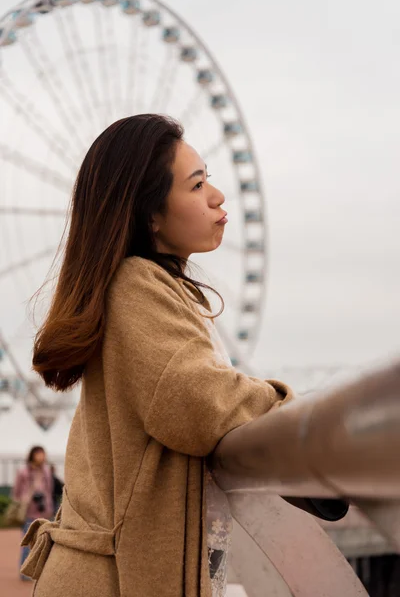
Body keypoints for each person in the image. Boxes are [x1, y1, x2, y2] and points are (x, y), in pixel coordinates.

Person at [21, 114, 294, 597]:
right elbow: (195, 402)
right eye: (197, 185)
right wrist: (282, 403)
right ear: (150, 215)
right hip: (112, 581)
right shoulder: (135, 286)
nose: (218, 196)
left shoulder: (131, 287)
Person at [13, 445, 53, 581]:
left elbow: (49, 490)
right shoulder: (24, 472)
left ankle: (39, 571)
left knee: (43, 543)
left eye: (43, 454)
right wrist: (24, 500)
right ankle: (24, 572)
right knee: (28, 543)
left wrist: (49, 507)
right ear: (32, 455)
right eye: (39, 454)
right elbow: (16, 492)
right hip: (29, 512)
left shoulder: (46, 471)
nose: (42, 456)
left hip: (43, 512)